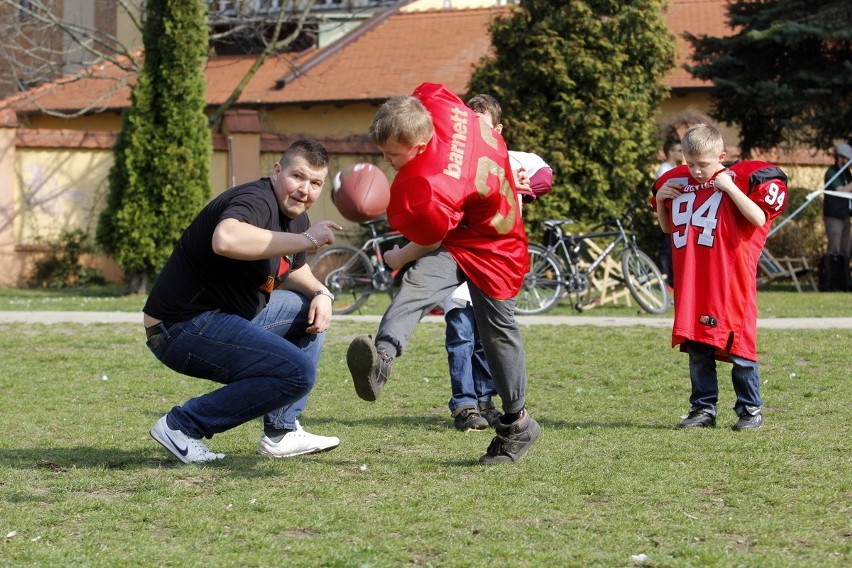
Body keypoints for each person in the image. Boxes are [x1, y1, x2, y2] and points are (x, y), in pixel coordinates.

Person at [346, 83, 540, 464]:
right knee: (418, 287)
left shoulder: (436, 183)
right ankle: (381, 358)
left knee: (497, 335)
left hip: (496, 245)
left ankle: (518, 425)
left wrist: (398, 255)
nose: (387, 161)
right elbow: (429, 93)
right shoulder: (432, 107)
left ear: (419, 147)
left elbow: (427, 238)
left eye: (392, 155)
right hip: (461, 235)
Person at [143, 139, 343, 464]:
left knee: (309, 310)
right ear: (277, 171)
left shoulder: (296, 220)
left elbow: (292, 269)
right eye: (298, 176)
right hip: (180, 326)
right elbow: (226, 239)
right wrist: (307, 240)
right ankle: (182, 426)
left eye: (315, 183)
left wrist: (322, 293)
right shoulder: (256, 199)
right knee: (297, 373)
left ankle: (282, 431)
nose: (305, 189)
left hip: (226, 318)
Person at [652, 123, 788, 431]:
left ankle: (750, 410)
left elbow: (757, 217)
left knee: (739, 348)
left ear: (721, 156)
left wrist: (731, 188)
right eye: (690, 164)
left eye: (704, 164)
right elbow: (666, 227)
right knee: (698, 347)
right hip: (694, 280)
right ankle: (703, 409)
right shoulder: (679, 183)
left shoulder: (735, 180)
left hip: (730, 282)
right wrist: (661, 199)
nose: (697, 171)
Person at [441, 94, 553, 432]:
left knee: (490, 339)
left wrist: (525, 184)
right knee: (461, 333)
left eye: (484, 125)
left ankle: (487, 399)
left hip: (496, 265)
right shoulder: (454, 161)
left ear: (498, 129)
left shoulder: (512, 157)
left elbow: (545, 176)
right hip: (461, 258)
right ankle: (464, 405)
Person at [655, 137, 684, 289]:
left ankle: (673, 280)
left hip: (677, 214)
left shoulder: (673, 168)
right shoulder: (664, 170)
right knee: (668, 248)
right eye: (679, 151)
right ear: (671, 152)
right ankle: (666, 280)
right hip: (669, 214)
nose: (682, 154)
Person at [822, 143, 852, 266]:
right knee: (835, 247)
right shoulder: (831, 172)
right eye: (848, 160)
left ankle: (844, 278)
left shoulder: (847, 173)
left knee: (846, 247)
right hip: (834, 215)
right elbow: (840, 190)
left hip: (845, 214)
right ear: (840, 158)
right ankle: (832, 279)